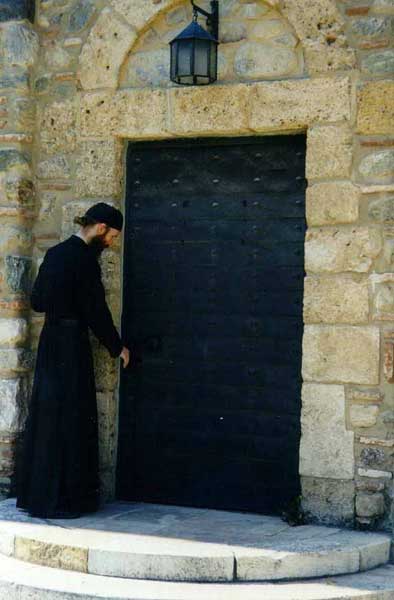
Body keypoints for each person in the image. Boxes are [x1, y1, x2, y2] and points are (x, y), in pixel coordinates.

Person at [16, 202, 130, 519]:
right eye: (112, 237)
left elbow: (38, 301)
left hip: (50, 343)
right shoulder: (85, 261)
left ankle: (41, 498)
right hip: (72, 346)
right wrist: (116, 346)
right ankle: (67, 501)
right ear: (101, 228)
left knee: (48, 417)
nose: (111, 243)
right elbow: (96, 311)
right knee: (72, 418)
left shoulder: (54, 254)